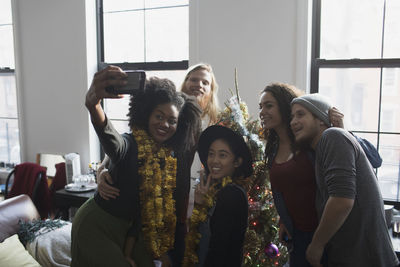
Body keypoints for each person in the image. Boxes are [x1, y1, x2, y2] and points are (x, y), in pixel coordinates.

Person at [71, 65, 202, 267]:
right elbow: (110, 138)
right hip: (96, 225)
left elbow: (145, 210)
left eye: (172, 120)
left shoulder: (168, 159)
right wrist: (94, 105)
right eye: (159, 116)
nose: (164, 124)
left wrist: (135, 251)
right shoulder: (129, 143)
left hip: (132, 231)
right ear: (146, 114)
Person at [96, 63, 220, 266]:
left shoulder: (214, 128)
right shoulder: (166, 117)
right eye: (193, 79)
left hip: (193, 209)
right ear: (185, 83)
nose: (198, 84)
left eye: (205, 82)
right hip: (154, 210)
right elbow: (125, 146)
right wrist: (101, 171)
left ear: (211, 91)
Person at [290, 93, 399, 267]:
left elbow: (342, 200)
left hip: (367, 260)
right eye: (292, 116)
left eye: (300, 114)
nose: (293, 121)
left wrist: (316, 246)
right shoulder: (320, 152)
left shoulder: (333, 136)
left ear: (321, 119)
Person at [259, 83, 344, 267]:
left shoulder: (309, 141)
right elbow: (285, 188)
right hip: (297, 237)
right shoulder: (272, 149)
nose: (262, 111)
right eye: (261, 107)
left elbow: (371, 160)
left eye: (268, 105)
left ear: (283, 105)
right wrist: (283, 219)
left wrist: (343, 130)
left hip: (326, 236)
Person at [182, 125, 253, 267]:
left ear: (237, 162)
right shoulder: (216, 191)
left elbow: (219, 250)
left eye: (222, 155)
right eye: (211, 154)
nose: (214, 160)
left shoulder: (232, 194)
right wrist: (199, 205)